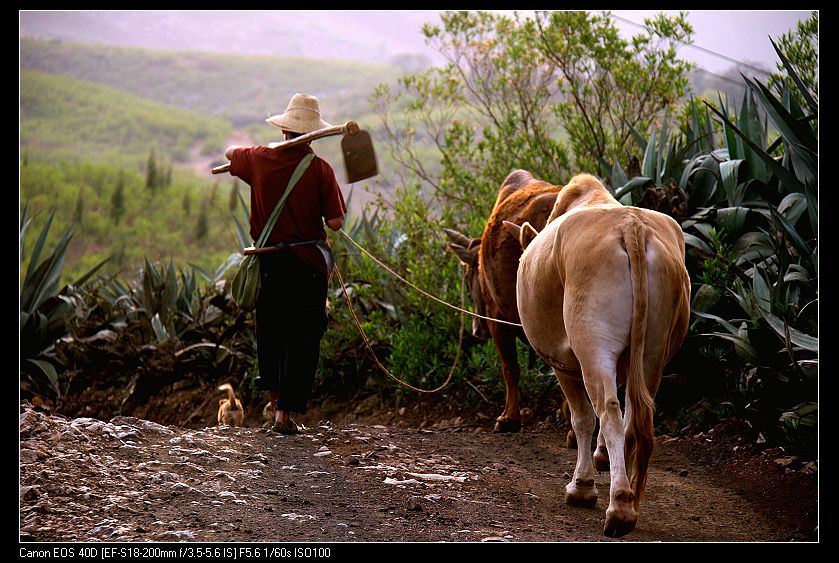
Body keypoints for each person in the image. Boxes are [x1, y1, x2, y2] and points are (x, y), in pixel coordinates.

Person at [225, 93, 346, 435]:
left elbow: (229, 155)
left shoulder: (259, 158)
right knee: (303, 337)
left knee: (272, 331)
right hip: (307, 266)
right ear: (313, 134)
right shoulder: (320, 169)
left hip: (269, 264)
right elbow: (336, 223)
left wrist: (260, 155)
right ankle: (284, 415)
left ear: (284, 130)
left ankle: (273, 400)